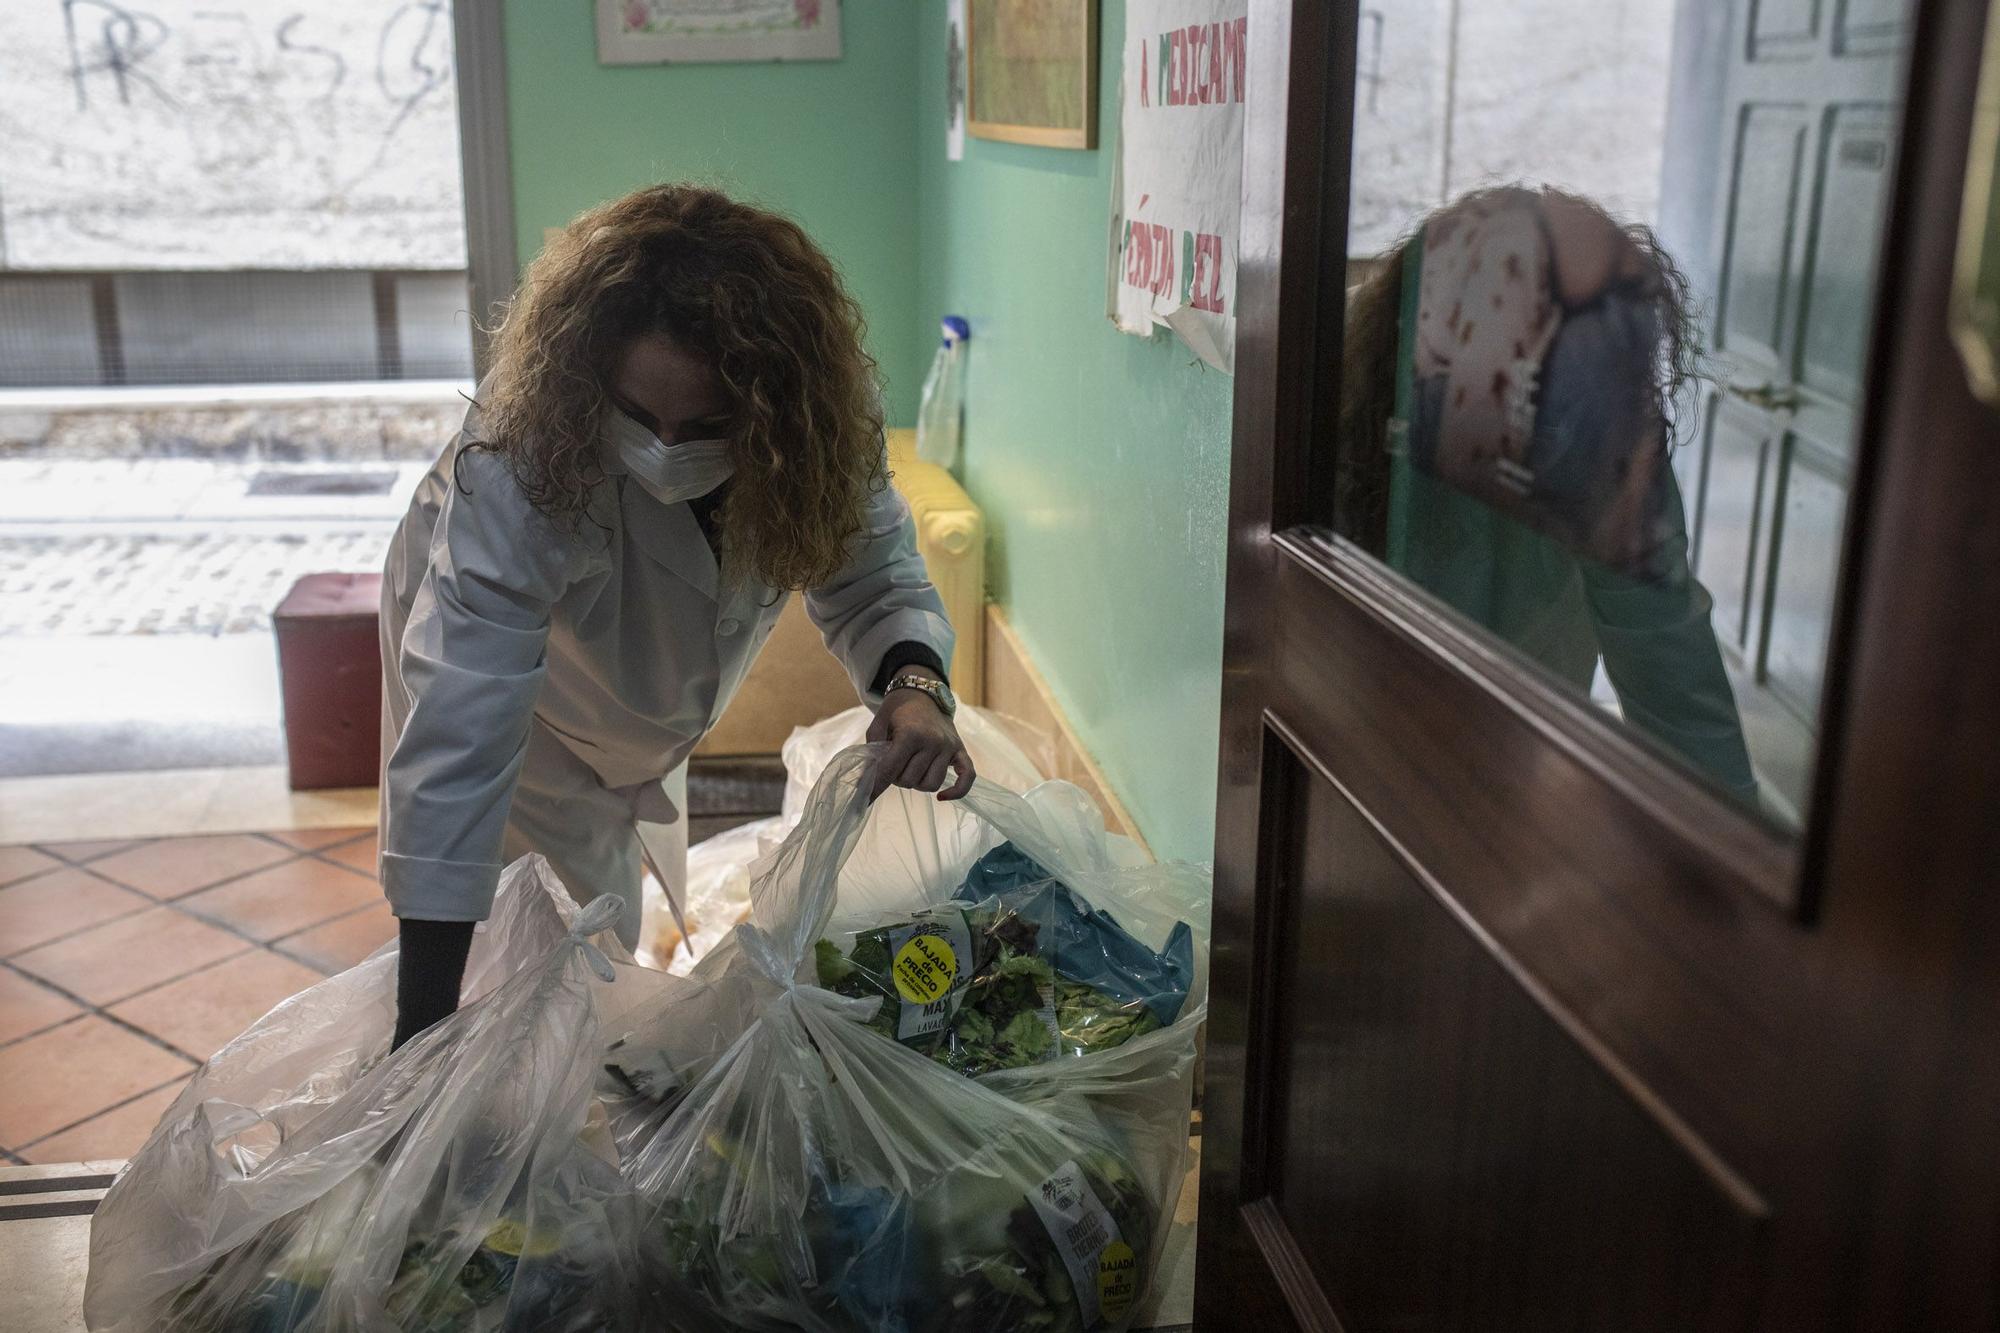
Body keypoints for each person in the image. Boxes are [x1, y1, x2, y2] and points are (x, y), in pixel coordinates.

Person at [378, 184, 973, 1048]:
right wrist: (417, 1038)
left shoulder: (817, 434)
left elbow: (876, 579)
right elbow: (460, 738)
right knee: (532, 973)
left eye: (705, 424)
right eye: (636, 415)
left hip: (631, 702)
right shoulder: (520, 459)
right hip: (514, 692)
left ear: (768, 409)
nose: (664, 448)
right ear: (592, 381)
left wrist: (916, 684)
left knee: (598, 962)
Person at [1339, 186, 1759, 804]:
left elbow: (1669, 664)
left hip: (1513, 742)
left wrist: (1729, 857)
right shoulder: (1328, 373)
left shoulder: (1607, 417)